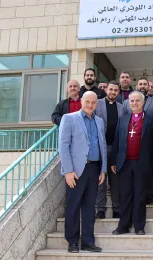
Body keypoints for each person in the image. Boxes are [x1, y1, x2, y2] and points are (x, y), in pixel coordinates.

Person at [58, 91, 107, 253]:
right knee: (73, 205)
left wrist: (103, 169)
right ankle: (72, 241)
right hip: (76, 170)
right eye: (88, 102)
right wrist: (68, 171)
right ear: (81, 101)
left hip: (94, 169)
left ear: (97, 104)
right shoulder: (69, 118)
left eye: (93, 102)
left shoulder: (99, 121)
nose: (90, 105)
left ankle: (87, 241)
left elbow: (103, 146)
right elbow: (63, 146)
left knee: (89, 206)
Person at [111, 91, 153, 235]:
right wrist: (114, 160)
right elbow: (117, 141)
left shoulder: (152, 120)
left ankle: (139, 227)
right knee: (125, 196)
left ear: (143, 102)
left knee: (140, 195)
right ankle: (123, 226)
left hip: (142, 163)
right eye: (132, 101)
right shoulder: (123, 119)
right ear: (128, 103)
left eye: (137, 100)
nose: (134, 103)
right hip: (125, 163)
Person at [94, 82, 126, 219]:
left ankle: (116, 208)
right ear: (106, 90)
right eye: (111, 89)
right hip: (101, 147)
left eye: (115, 90)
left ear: (118, 93)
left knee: (116, 179)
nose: (112, 92)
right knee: (101, 179)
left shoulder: (122, 107)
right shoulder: (97, 103)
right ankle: (100, 209)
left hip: (116, 147)